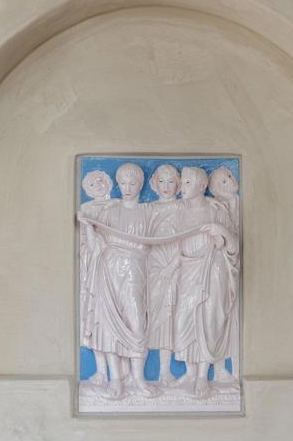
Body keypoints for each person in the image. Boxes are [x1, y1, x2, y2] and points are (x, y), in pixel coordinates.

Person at [78, 163, 155, 399]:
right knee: (109, 324)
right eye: (123, 183)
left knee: (137, 322)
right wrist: (88, 227)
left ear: (141, 185)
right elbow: (95, 246)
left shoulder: (148, 211)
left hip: (135, 269)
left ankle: (138, 378)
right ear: (118, 184)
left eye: (133, 183)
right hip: (109, 268)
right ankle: (116, 380)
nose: (127, 188)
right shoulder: (109, 212)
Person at [170, 166, 240, 397]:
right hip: (187, 269)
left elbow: (234, 246)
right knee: (183, 320)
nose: (182, 187)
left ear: (202, 186)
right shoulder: (178, 211)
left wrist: (222, 231)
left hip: (213, 270)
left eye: (188, 182)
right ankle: (190, 373)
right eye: (182, 182)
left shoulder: (216, 211)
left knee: (210, 319)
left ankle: (202, 376)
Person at [145, 164, 182, 383]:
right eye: (161, 181)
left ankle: (165, 371)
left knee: (170, 316)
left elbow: (187, 239)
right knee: (152, 317)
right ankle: (138, 373)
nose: (166, 186)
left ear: (178, 184)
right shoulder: (148, 208)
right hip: (152, 267)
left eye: (171, 182)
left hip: (176, 266)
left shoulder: (183, 207)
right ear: (154, 184)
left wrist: (174, 265)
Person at [78, 170, 113, 385]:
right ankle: (101, 371)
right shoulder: (85, 210)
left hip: (117, 269)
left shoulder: (118, 206)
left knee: (118, 320)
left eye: (100, 180)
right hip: (94, 269)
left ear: (109, 182)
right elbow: (84, 243)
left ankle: (122, 372)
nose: (98, 185)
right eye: (91, 184)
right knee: (96, 319)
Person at [208, 166, 241, 381]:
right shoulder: (214, 208)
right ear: (212, 189)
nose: (229, 180)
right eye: (222, 180)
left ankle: (236, 371)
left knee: (235, 322)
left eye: (229, 175)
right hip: (219, 270)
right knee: (216, 316)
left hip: (234, 271)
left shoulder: (241, 205)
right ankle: (218, 368)